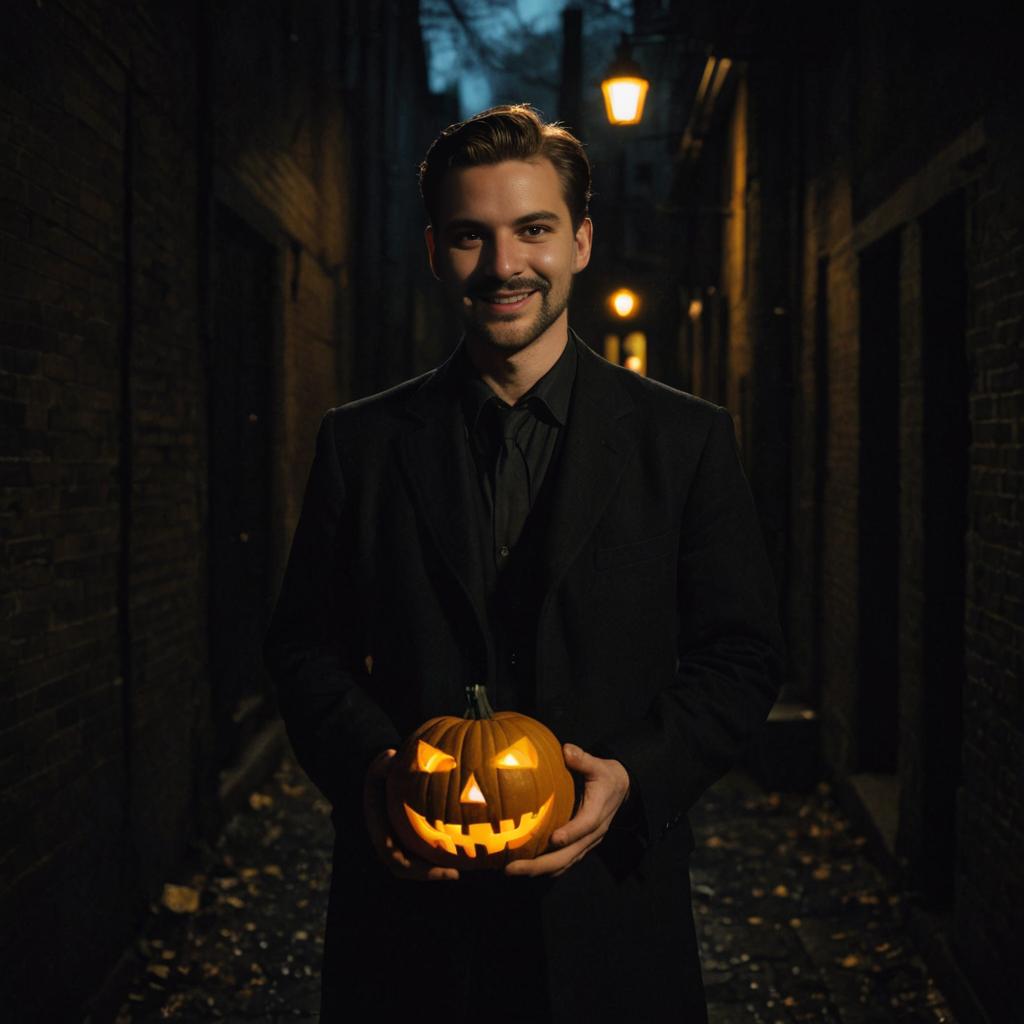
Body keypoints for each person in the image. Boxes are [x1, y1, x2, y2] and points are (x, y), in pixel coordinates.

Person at [263, 104, 783, 1022]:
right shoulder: (360, 444)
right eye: (472, 236)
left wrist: (635, 775)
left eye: (533, 230)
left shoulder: (687, 441)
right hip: (408, 931)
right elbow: (305, 649)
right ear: (435, 252)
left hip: (612, 921)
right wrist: (379, 775)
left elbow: (738, 657)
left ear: (580, 242)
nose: (504, 266)